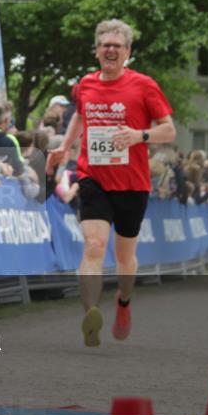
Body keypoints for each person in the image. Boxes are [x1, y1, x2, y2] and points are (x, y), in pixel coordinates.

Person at [47, 19, 175, 346]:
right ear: (97, 50)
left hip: (132, 183)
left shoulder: (144, 86)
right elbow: (79, 115)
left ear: (128, 52)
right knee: (93, 246)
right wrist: (65, 146)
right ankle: (91, 313)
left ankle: (123, 301)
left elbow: (169, 130)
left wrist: (138, 135)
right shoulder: (86, 85)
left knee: (124, 259)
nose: (111, 50)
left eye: (118, 46)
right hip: (94, 177)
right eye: (106, 45)